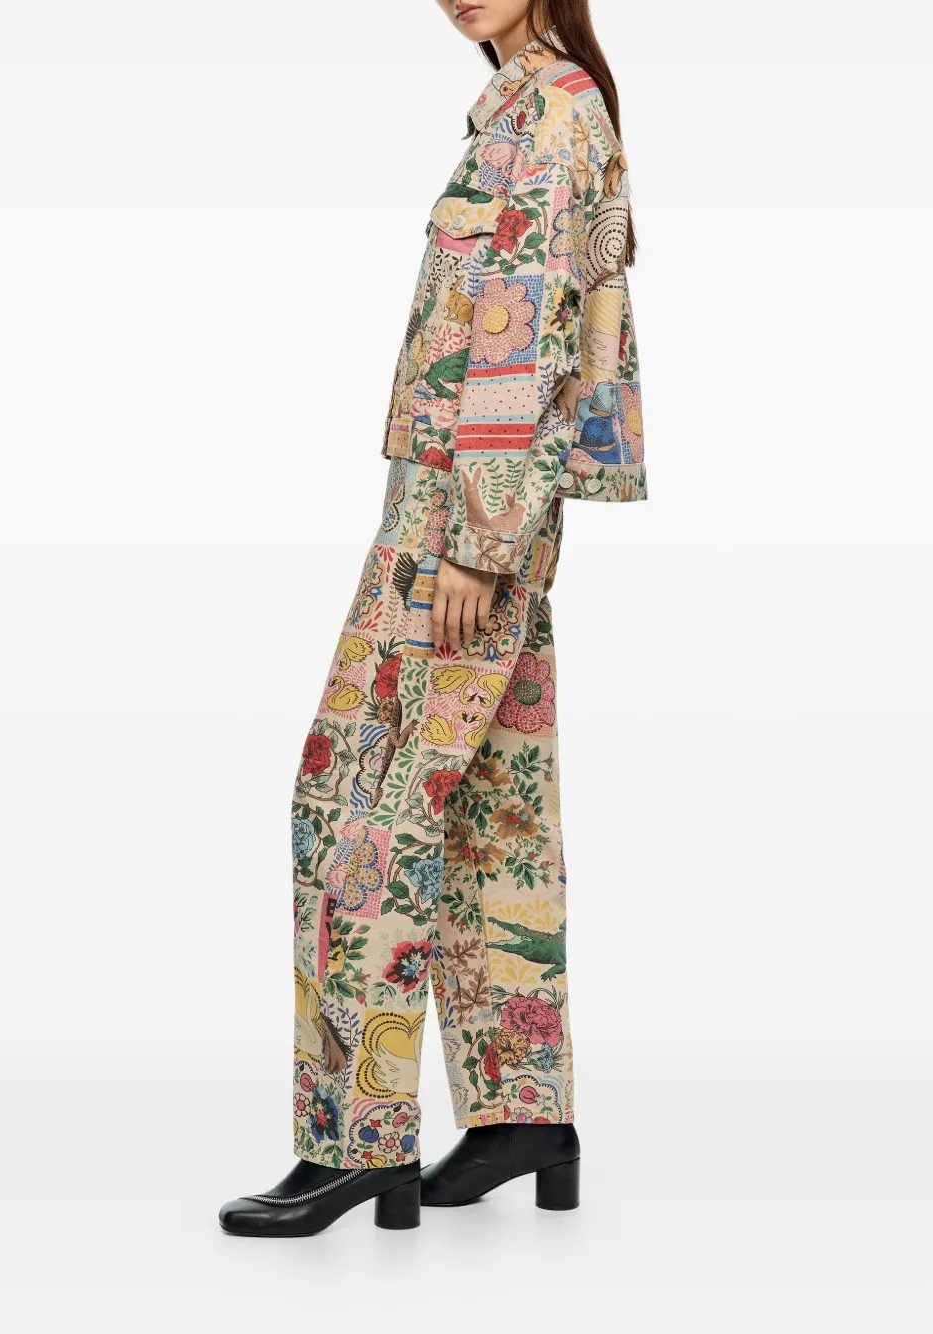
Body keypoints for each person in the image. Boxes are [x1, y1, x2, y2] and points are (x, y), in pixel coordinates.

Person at [219, 0, 644, 1238]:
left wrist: (477, 541)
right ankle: (523, 1115)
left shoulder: (548, 116)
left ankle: (354, 1144)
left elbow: (526, 331)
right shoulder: (532, 105)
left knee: (352, 807)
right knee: (488, 816)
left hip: (460, 531)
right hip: (470, 516)